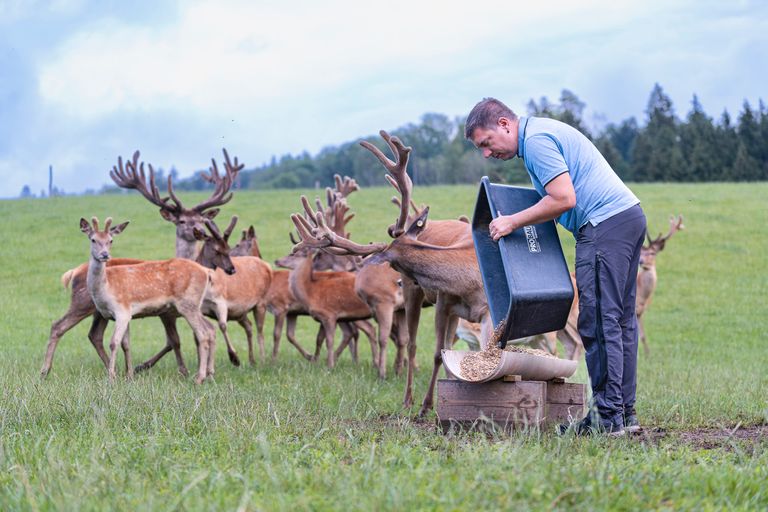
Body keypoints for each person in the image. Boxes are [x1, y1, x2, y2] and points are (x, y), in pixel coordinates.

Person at [465, 97, 647, 436]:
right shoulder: (542, 132)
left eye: (487, 143)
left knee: (598, 321)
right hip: (627, 218)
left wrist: (511, 222)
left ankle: (608, 420)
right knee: (621, 322)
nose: (487, 154)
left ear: (505, 124)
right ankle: (622, 415)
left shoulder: (535, 142)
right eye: (482, 149)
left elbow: (564, 199)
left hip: (604, 226)